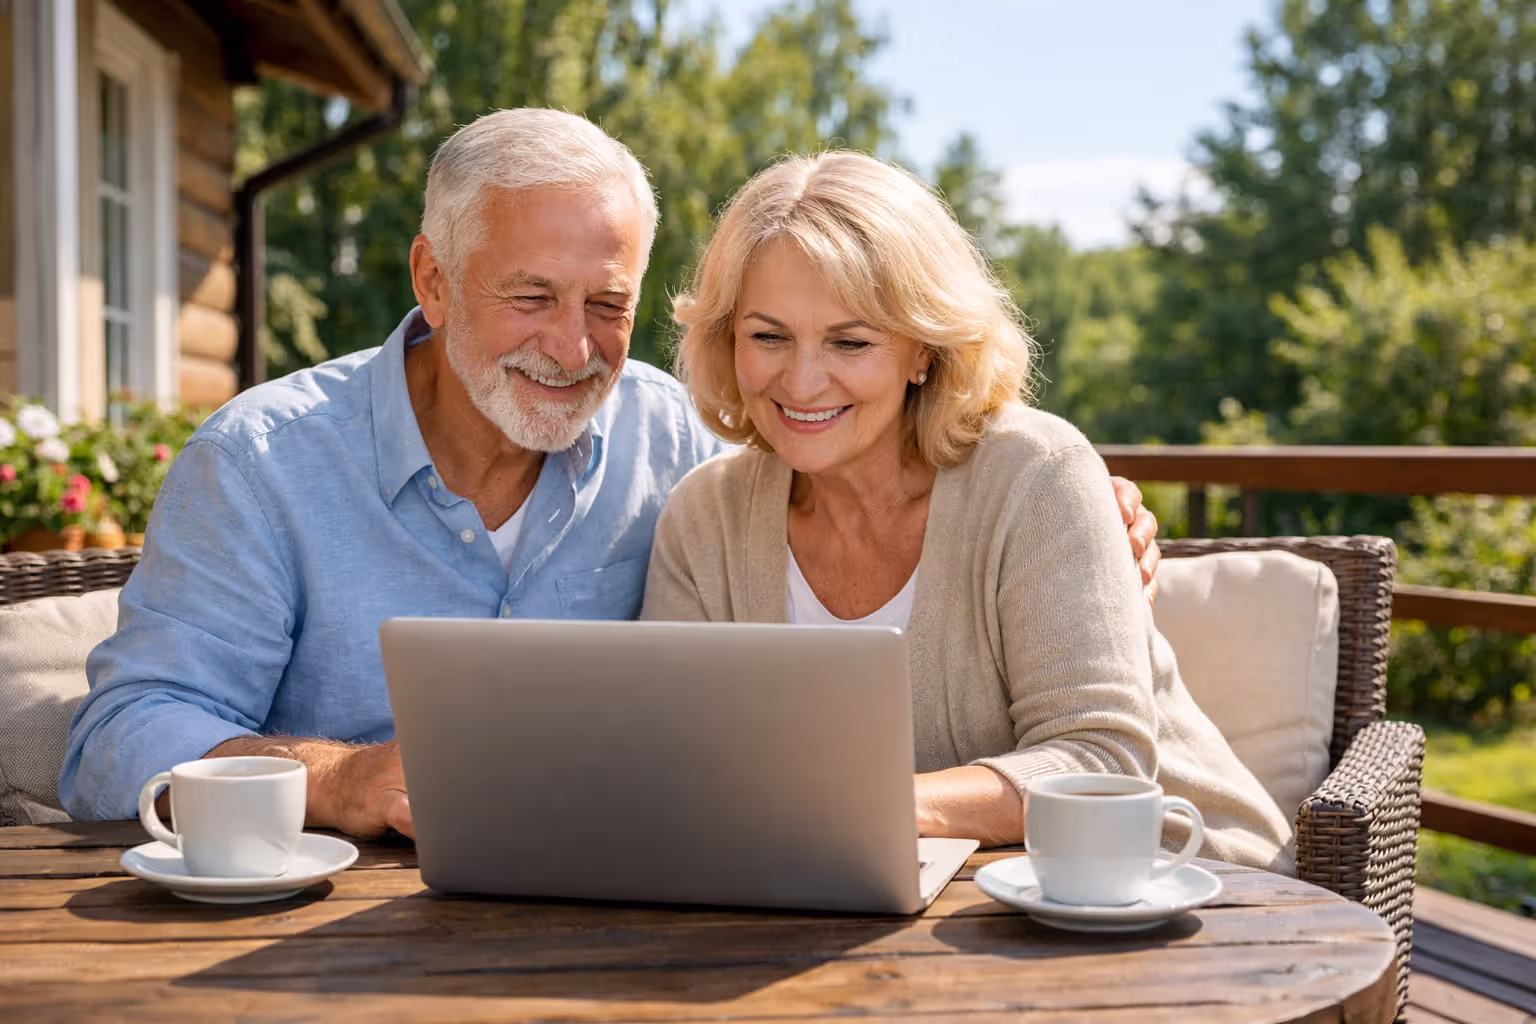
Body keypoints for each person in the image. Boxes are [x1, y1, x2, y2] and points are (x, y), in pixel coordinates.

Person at [61, 109, 1161, 840]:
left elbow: (863, 464)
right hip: (318, 940)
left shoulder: (681, 443)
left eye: (609, 306)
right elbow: (119, 736)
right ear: (434, 281)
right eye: (531, 297)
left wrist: (1081, 519)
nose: (577, 347)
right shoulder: (261, 461)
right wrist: (336, 782)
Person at [643, 151, 1292, 869]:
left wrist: (865, 807)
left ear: (922, 349)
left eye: (850, 341)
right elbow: (674, 762)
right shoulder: (703, 518)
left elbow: (1102, 762)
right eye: (768, 336)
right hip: (863, 906)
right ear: (726, 336)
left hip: (1176, 885)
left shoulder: (1037, 475)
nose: (801, 379)